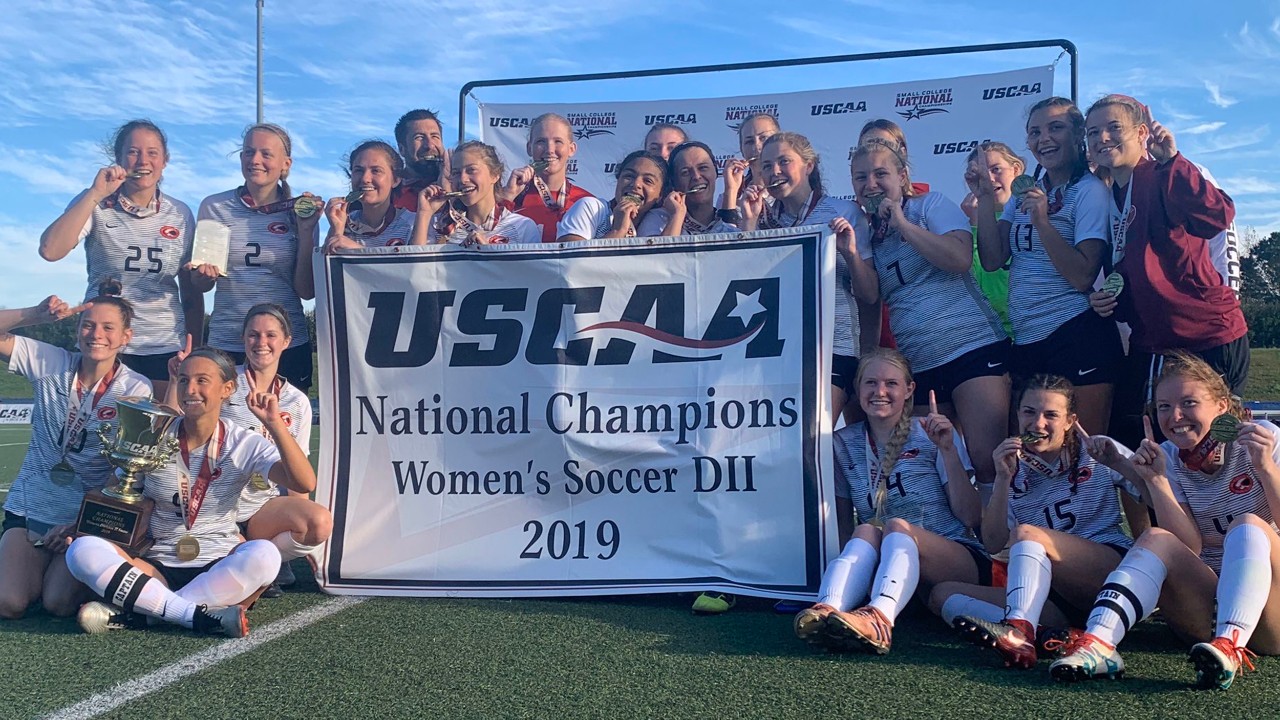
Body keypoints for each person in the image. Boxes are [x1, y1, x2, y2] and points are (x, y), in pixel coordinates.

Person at [1051, 353, 1280, 689]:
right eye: (1163, 407)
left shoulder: (1264, 438)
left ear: (1221, 405)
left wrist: (1266, 469)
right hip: (1205, 608)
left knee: (1246, 524)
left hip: (1271, 613)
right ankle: (1099, 644)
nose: (1175, 417)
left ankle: (1231, 645)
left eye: (1189, 403)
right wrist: (1157, 481)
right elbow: (1190, 546)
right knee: (1156, 537)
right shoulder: (1168, 456)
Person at [64, 348, 317, 637]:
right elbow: (119, 492)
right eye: (183, 380)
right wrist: (82, 528)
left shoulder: (243, 442)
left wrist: (274, 424)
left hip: (220, 564)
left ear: (227, 388)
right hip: (156, 565)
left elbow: (304, 482)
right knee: (81, 551)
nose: (190, 389)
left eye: (202, 380)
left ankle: (146, 615)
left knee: (265, 555)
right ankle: (197, 615)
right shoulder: (154, 433)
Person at [930, 375, 1143, 669]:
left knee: (1028, 534)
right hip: (1054, 593)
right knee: (942, 595)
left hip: (1105, 573)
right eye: (1029, 412)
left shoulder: (1096, 450)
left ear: (1070, 420)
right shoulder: (1012, 464)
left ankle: (1018, 632)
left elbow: (1154, 496)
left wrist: (1120, 464)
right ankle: (1053, 636)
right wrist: (1002, 479)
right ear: (1017, 415)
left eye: (1051, 415)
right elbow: (992, 543)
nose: (1038, 423)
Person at [841, 139, 1009, 492]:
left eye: (880, 174)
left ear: (902, 176)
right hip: (919, 359)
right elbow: (870, 296)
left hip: (971, 346)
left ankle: (1005, 543)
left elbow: (959, 259)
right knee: (937, 464)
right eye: (860, 177)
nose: (870, 184)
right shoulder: (867, 230)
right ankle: (962, 543)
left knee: (986, 457)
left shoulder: (930, 205)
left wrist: (903, 222)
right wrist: (854, 255)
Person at [792, 349, 984, 654]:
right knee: (866, 530)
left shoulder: (931, 433)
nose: (879, 392)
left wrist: (947, 449)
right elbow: (843, 526)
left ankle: (879, 618)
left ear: (909, 390)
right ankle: (828, 607)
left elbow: (971, 517)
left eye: (890, 384)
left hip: (955, 559)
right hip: (893, 573)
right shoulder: (843, 443)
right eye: (870, 383)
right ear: (857, 389)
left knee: (896, 526)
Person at [1083, 95, 1247, 450]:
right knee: (1136, 441)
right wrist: (1110, 299)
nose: (1102, 138)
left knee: (1214, 449)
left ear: (1141, 132)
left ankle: (1247, 505)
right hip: (1154, 340)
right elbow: (1134, 271)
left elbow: (1216, 217)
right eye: (1093, 132)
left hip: (1206, 335)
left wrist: (1172, 159)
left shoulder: (1165, 173)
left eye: (1114, 128)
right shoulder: (1110, 194)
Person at [974, 97, 1122, 435]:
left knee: (1087, 454)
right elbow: (993, 259)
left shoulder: (1090, 192)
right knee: (1032, 452)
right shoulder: (1026, 191)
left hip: (1076, 333)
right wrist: (985, 197)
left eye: (1056, 128)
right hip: (1027, 339)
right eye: (1035, 132)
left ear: (1078, 135)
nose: (1044, 139)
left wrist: (1042, 222)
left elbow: (1083, 275)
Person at [0, 295, 152, 619]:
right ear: (77, 330)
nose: (96, 334)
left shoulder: (136, 388)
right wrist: (35, 314)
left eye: (108, 327)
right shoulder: (49, 361)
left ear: (126, 337)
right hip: (31, 510)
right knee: (10, 603)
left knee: (58, 603)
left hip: (85, 521)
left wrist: (81, 524)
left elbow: (124, 472)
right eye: (88, 325)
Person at [38, 119, 202, 393]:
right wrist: (94, 193)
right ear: (118, 159)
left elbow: (191, 292)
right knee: (99, 431)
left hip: (163, 346)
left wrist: (194, 347)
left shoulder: (180, 213)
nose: (142, 161)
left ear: (165, 160)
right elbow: (50, 251)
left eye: (152, 152)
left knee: (159, 433)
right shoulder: (95, 202)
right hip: (103, 342)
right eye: (133, 152)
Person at [741, 132, 878, 424]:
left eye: (784, 161)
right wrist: (749, 225)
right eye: (766, 166)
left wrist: (851, 253)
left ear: (809, 165)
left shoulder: (844, 212)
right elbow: (745, 284)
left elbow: (869, 294)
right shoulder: (761, 219)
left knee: (811, 435)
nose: (774, 171)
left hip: (833, 347)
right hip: (776, 352)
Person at [192, 123, 320, 393]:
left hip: (286, 342)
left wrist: (307, 229)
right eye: (249, 152)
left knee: (285, 430)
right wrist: (202, 275)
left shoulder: (300, 210)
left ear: (286, 164)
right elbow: (201, 285)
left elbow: (306, 291)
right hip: (228, 340)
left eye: (266, 153)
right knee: (223, 432)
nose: (255, 160)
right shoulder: (214, 206)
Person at [222, 304, 329, 597]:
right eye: (253, 335)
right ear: (243, 339)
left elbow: (297, 477)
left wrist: (306, 538)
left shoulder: (296, 401)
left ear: (286, 341)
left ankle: (267, 558)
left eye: (271, 335)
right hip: (216, 505)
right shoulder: (225, 386)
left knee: (318, 521)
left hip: (262, 509)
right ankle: (249, 560)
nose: (261, 343)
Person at [412, 141, 541, 246]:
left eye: (471, 170)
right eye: (456, 172)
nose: (463, 179)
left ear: (495, 175)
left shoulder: (522, 227)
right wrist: (424, 213)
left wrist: (487, 255)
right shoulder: (440, 226)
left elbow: (528, 277)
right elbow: (414, 271)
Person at [497, 113, 595, 243]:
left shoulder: (585, 202)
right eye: (541, 141)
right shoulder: (509, 198)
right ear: (529, 148)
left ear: (571, 149)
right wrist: (507, 197)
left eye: (558, 141)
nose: (549, 149)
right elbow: (484, 237)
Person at [960, 142, 1023, 336]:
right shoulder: (962, 223)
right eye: (981, 174)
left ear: (1016, 169)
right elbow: (973, 280)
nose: (989, 179)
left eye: (996, 169)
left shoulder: (1035, 211)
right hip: (993, 332)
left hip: (1035, 322)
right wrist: (973, 225)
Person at [556, 151, 672, 242]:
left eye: (648, 180)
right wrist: (618, 231)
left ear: (661, 194)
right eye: (629, 176)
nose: (636, 184)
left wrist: (677, 215)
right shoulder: (591, 208)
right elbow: (570, 263)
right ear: (618, 178)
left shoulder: (659, 222)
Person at [324, 140, 416, 253]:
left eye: (376, 171)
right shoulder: (343, 223)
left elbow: (413, 268)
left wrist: (359, 251)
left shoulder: (412, 223)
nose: (365, 179)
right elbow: (327, 269)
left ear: (396, 179)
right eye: (359, 170)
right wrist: (337, 231)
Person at [663, 141, 742, 235]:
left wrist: (731, 190)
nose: (696, 176)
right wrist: (677, 216)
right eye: (685, 172)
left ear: (716, 172)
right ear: (674, 182)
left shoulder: (741, 218)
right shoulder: (661, 219)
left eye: (703, 168)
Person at [392, 108, 448, 212]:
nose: (430, 145)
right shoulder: (388, 194)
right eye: (419, 137)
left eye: (435, 136)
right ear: (402, 149)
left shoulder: (461, 183)